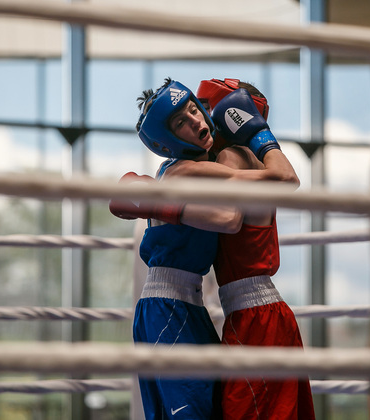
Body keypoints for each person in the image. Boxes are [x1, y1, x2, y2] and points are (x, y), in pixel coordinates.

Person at [109, 77, 296, 420]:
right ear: (166, 140)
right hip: (167, 306)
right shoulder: (183, 172)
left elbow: (285, 180)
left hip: (193, 306)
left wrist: (257, 134)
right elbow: (229, 218)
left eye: (196, 109)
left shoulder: (207, 167)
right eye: (182, 121)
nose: (197, 121)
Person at [197, 78, 315, 420]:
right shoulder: (251, 161)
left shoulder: (232, 157)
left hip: (256, 318)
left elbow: (286, 180)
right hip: (260, 314)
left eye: (204, 109)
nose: (198, 120)